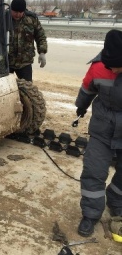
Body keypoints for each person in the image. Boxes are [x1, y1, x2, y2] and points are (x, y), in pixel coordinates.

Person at [75, 29, 122, 237]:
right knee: (94, 170)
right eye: (109, 64)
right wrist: (81, 107)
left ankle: (116, 200)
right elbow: (87, 89)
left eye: (117, 65)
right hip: (102, 128)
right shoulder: (98, 67)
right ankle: (91, 214)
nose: (112, 68)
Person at [8, 0, 47, 81]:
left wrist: (42, 52)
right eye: (15, 12)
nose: (18, 14)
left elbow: (40, 36)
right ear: (11, 9)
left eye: (20, 12)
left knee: (27, 89)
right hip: (7, 61)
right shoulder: (3, 18)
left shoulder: (31, 19)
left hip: (24, 62)